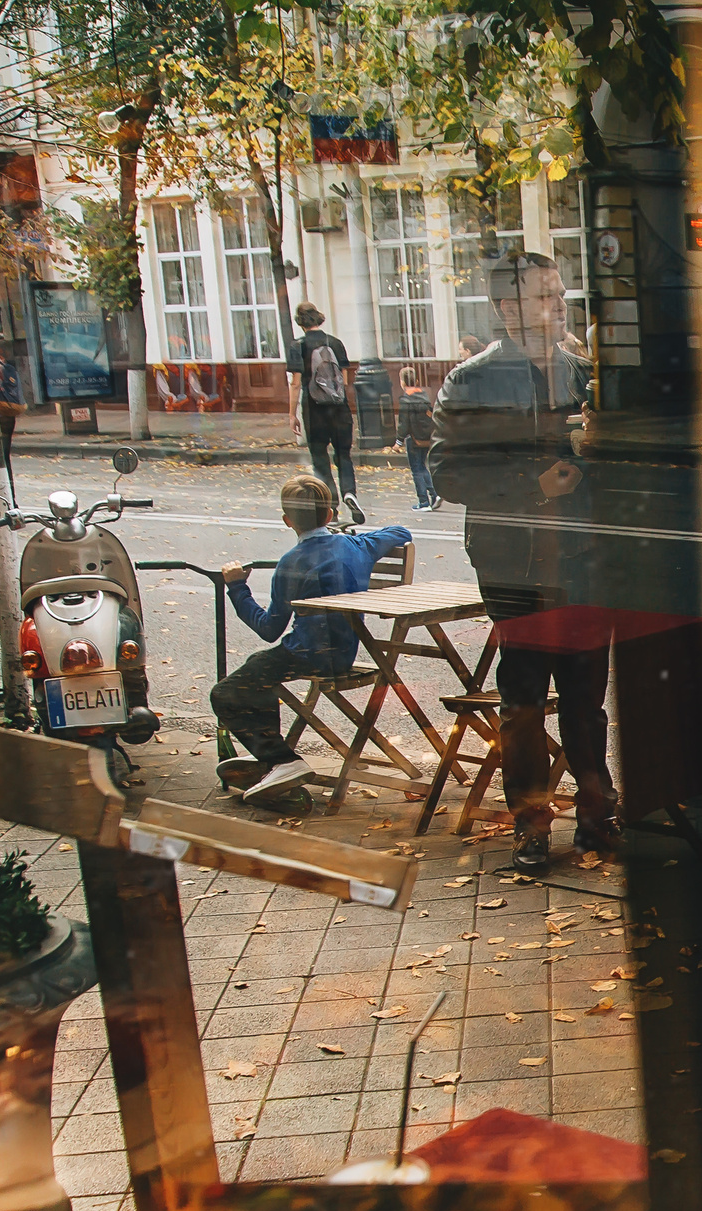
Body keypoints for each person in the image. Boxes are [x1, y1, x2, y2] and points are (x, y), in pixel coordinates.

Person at [434, 251, 624, 871]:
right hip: (513, 562)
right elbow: (449, 471)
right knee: (521, 698)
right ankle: (531, 825)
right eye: (544, 297)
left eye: (561, 295)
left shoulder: (584, 373)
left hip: (583, 557)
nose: (558, 307)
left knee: (586, 697)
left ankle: (597, 815)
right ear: (506, 310)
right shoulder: (472, 381)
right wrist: (534, 484)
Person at [210, 475, 413, 801]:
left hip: (308, 655)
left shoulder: (291, 563)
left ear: (287, 521)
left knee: (227, 692)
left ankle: (279, 758)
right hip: (344, 654)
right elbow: (402, 532)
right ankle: (272, 757)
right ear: (330, 515)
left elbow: (269, 629)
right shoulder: (357, 545)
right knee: (257, 668)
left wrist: (237, 588)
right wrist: (350, 537)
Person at [286, 304, 359, 502]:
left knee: (320, 458)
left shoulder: (298, 346)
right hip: (339, 407)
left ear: (300, 322)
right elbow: (344, 381)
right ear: (318, 318)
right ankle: (349, 493)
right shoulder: (335, 343)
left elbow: (295, 384)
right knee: (343, 455)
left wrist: (293, 415)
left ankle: (331, 504)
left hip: (314, 410)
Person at [397, 368, 438, 511]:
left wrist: (398, 441)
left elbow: (404, 423)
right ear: (417, 381)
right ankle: (435, 494)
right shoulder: (424, 396)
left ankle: (423, 502)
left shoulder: (406, 400)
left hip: (413, 438)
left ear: (402, 382)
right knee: (422, 466)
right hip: (426, 437)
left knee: (416, 470)